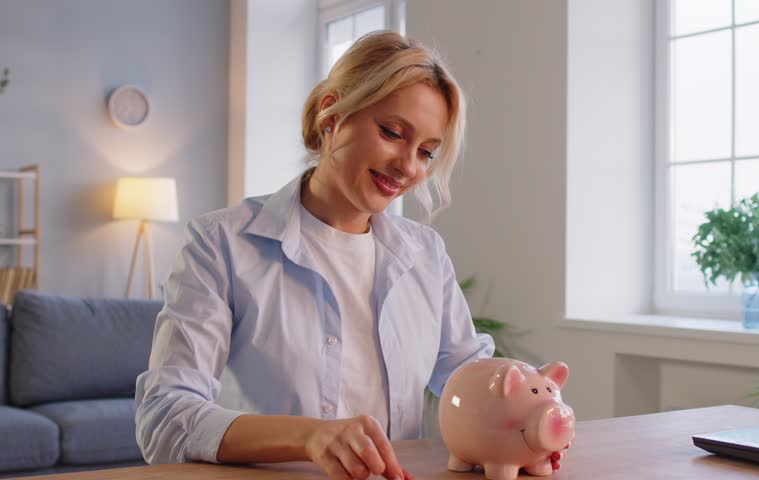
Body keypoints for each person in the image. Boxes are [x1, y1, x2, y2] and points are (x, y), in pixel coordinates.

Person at [134, 31, 495, 480]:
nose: (408, 167)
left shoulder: (425, 253)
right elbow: (165, 417)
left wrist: (525, 412)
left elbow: (467, 375)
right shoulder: (221, 244)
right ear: (331, 113)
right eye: (391, 133)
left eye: (426, 152)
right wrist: (310, 437)